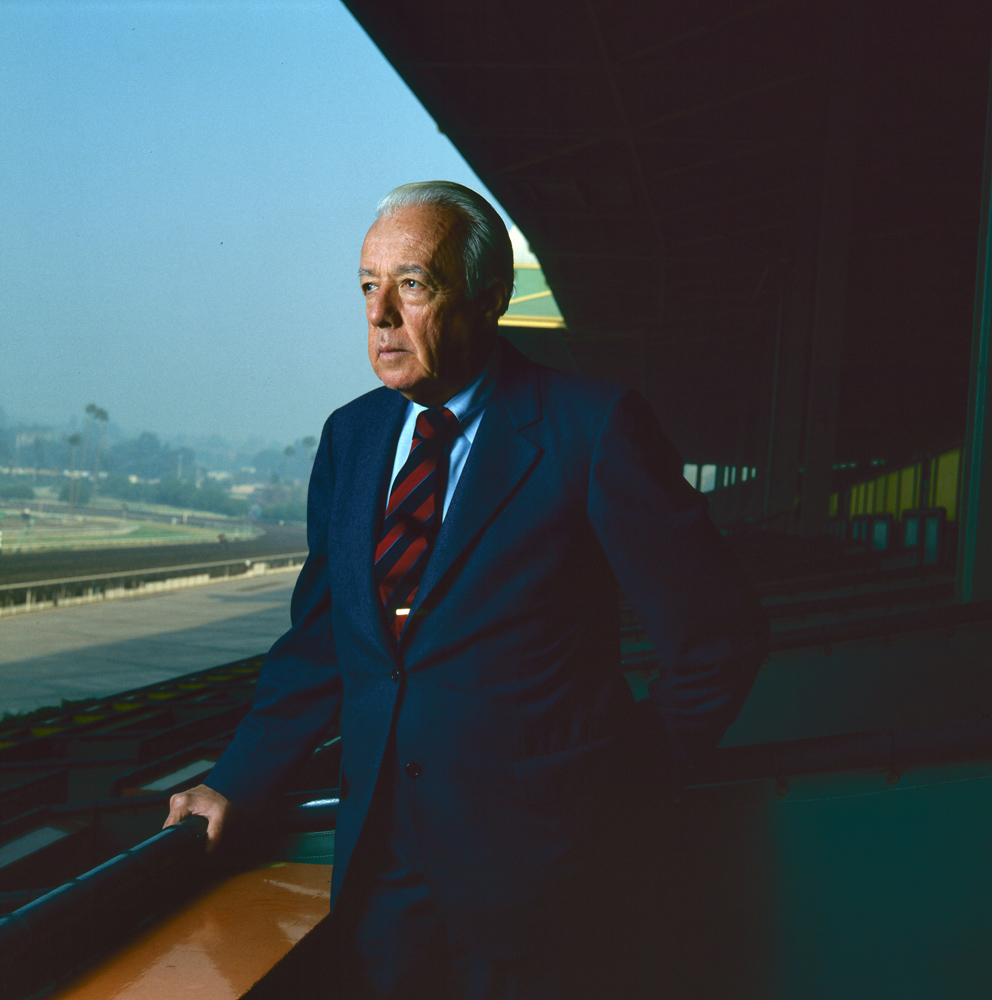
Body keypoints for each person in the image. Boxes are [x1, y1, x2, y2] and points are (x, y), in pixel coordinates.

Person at [165, 180, 768, 998]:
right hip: (382, 877)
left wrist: (624, 788)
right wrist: (234, 779)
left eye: (412, 284)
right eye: (367, 286)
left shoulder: (590, 428)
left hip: (546, 877)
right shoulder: (353, 436)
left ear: (490, 299)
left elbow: (715, 638)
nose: (379, 317)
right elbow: (323, 642)